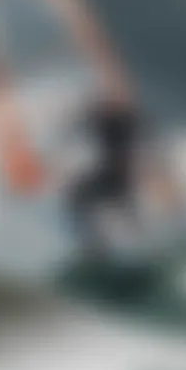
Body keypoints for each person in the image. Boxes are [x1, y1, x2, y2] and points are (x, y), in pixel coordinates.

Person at [64, 84, 169, 256]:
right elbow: (82, 121)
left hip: (120, 175)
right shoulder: (104, 121)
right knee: (80, 200)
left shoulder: (124, 122)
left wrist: (154, 167)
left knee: (125, 210)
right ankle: (98, 249)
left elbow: (148, 133)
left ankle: (149, 247)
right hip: (110, 173)